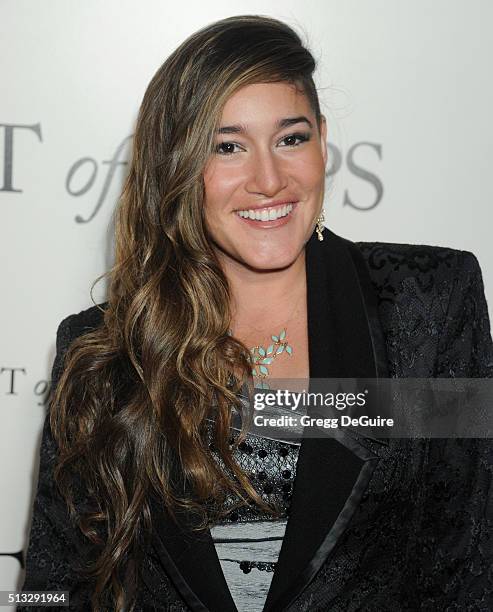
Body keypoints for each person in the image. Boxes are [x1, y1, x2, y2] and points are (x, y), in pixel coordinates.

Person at [20, 14, 493, 612]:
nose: (268, 180)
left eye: (291, 138)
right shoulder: (101, 350)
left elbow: (468, 561)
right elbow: (50, 583)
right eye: (228, 147)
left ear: (323, 140)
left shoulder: (427, 305)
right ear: (178, 166)